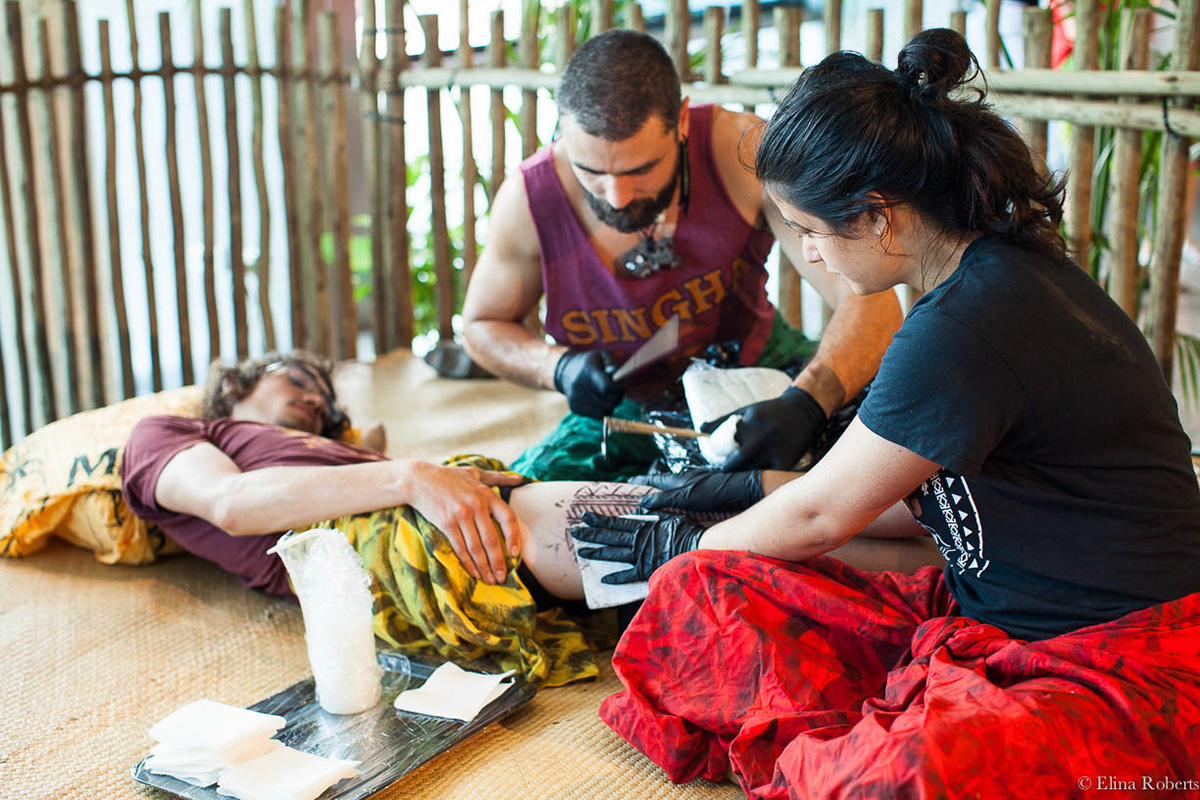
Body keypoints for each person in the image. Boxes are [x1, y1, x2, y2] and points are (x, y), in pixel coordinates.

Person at [571, 29, 1200, 797]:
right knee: (706, 592)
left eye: (808, 229)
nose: (808, 254)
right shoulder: (988, 277)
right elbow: (904, 500)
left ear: (878, 216)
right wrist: (730, 514)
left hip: (1114, 661)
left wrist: (690, 541)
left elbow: (820, 519)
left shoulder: (966, 323)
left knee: (901, 774)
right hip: (986, 614)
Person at [119, 351, 942, 688]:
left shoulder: (344, 454)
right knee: (695, 529)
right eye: (291, 378)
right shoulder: (170, 435)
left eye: (321, 392)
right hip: (423, 543)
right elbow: (230, 505)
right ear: (233, 391)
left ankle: (942, 524)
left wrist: (392, 465)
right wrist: (408, 475)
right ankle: (944, 550)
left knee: (708, 497)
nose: (312, 395)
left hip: (474, 516)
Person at [461, 29, 903, 482]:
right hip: (624, 403)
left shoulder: (743, 152)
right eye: (590, 171)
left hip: (761, 365)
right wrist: (557, 366)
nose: (616, 198)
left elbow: (870, 296)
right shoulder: (530, 199)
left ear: (683, 122)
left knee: (893, 453)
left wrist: (809, 401)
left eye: (641, 170)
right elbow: (481, 325)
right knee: (521, 506)